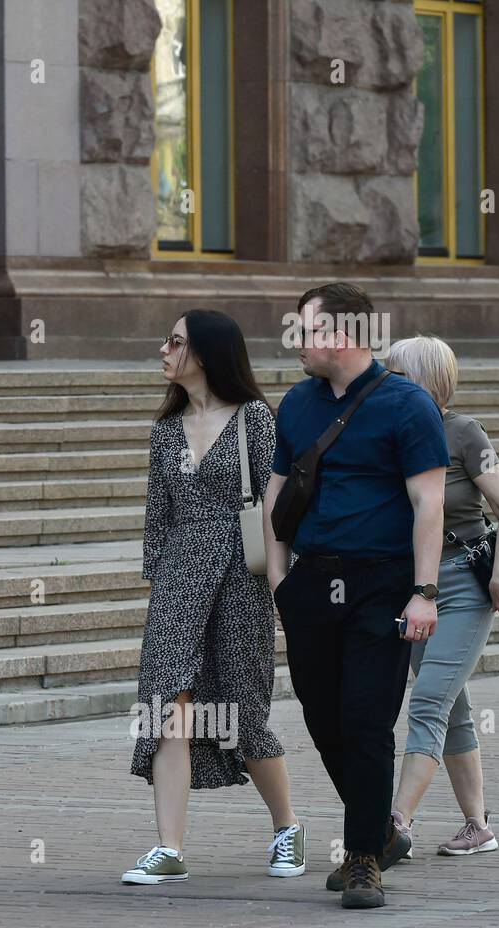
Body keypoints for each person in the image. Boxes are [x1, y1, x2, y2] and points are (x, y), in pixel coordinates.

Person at [263, 283, 449, 909]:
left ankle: (363, 858)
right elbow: (277, 495)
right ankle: (376, 829)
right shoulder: (295, 405)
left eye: (306, 331)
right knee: (323, 718)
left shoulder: (408, 405)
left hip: (383, 584)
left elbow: (429, 503)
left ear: (340, 336)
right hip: (312, 583)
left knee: (367, 719)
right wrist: (279, 581)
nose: (297, 342)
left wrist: (425, 592)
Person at [124, 309, 305, 886]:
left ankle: (287, 827)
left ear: (204, 353)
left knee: (242, 711)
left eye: (174, 341)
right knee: (166, 707)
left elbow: (277, 509)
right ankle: (169, 848)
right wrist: (162, 582)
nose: (163, 349)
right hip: (179, 581)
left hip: (239, 578)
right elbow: (159, 515)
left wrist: (279, 581)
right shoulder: (165, 430)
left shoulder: (255, 418)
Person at [385, 336, 499, 860]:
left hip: (465, 586)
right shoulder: (393, 436)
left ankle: (395, 822)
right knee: (452, 706)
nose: (386, 382)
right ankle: (478, 826)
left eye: (396, 373)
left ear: (423, 380)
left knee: (427, 701)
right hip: (418, 588)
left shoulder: (464, 432)